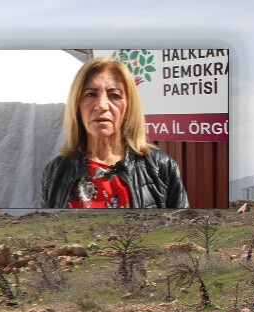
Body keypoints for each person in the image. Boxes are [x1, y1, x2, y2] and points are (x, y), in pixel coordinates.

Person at [41, 57, 189, 209]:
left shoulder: (161, 167)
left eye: (114, 95)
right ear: (77, 105)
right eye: (91, 94)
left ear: (128, 107)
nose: (101, 105)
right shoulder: (55, 171)